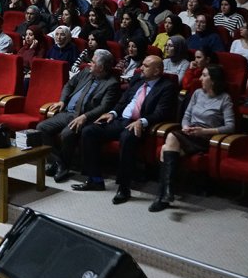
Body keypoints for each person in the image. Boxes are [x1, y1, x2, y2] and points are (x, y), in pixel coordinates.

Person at [72, 55, 177, 204]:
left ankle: (124, 186)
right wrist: (112, 113)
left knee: (127, 138)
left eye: (146, 66)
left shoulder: (166, 87)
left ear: (157, 71)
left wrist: (142, 121)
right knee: (89, 131)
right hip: (121, 120)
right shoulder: (137, 81)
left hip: (141, 124)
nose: (141, 68)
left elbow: (162, 112)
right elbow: (122, 102)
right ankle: (95, 179)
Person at [149, 63, 235, 212]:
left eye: (204, 75)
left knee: (166, 147)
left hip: (206, 138)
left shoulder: (224, 99)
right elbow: (186, 115)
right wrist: (185, 127)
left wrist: (204, 132)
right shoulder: (197, 93)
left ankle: (163, 195)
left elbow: (230, 126)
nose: (200, 78)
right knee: (170, 142)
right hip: (188, 134)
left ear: (213, 80)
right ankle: (166, 193)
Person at [38, 49, 120, 183]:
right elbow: (69, 85)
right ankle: (59, 163)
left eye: (93, 62)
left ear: (101, 67)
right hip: (68, 113)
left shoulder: (112, 84)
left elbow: (104, 107)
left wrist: (85, 117)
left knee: (66, 134)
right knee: (41, 127)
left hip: (86, 118)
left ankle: (62, 166)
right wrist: (62, 100)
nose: (89, 64)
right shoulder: (86, 72)